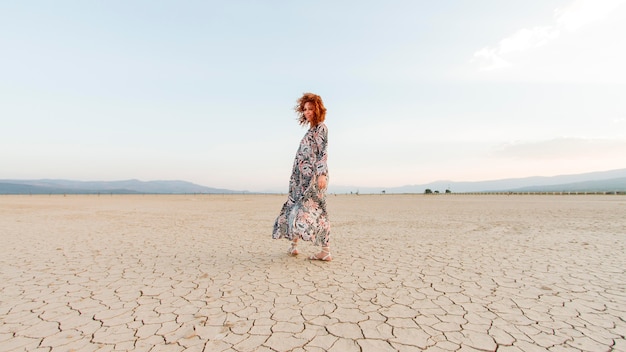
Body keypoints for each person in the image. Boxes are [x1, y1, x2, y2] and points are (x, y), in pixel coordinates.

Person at [272, 93, 331, 261]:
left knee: (317, 210)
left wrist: (321, 174)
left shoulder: (321, 128)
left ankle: (325, 251)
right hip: (299, 180)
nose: (307, 112)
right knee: (294, 208)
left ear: (318, 109)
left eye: (311, 109)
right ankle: (294, 246)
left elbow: (323, 152)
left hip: (313, 178)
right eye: (305, 109)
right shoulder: (310, 130)